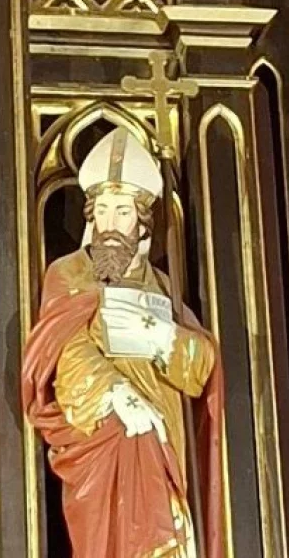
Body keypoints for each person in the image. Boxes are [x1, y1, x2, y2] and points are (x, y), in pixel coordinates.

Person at [21, 128, 225, 558]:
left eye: (123, 212)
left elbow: (202, 366)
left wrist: (164, 338)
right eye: (102, 211)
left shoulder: (163, 286)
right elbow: (62, 349)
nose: (110, 225)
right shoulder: (69, 273)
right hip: (104, 436)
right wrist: (116, 394)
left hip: (164, 437)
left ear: (142, 221)